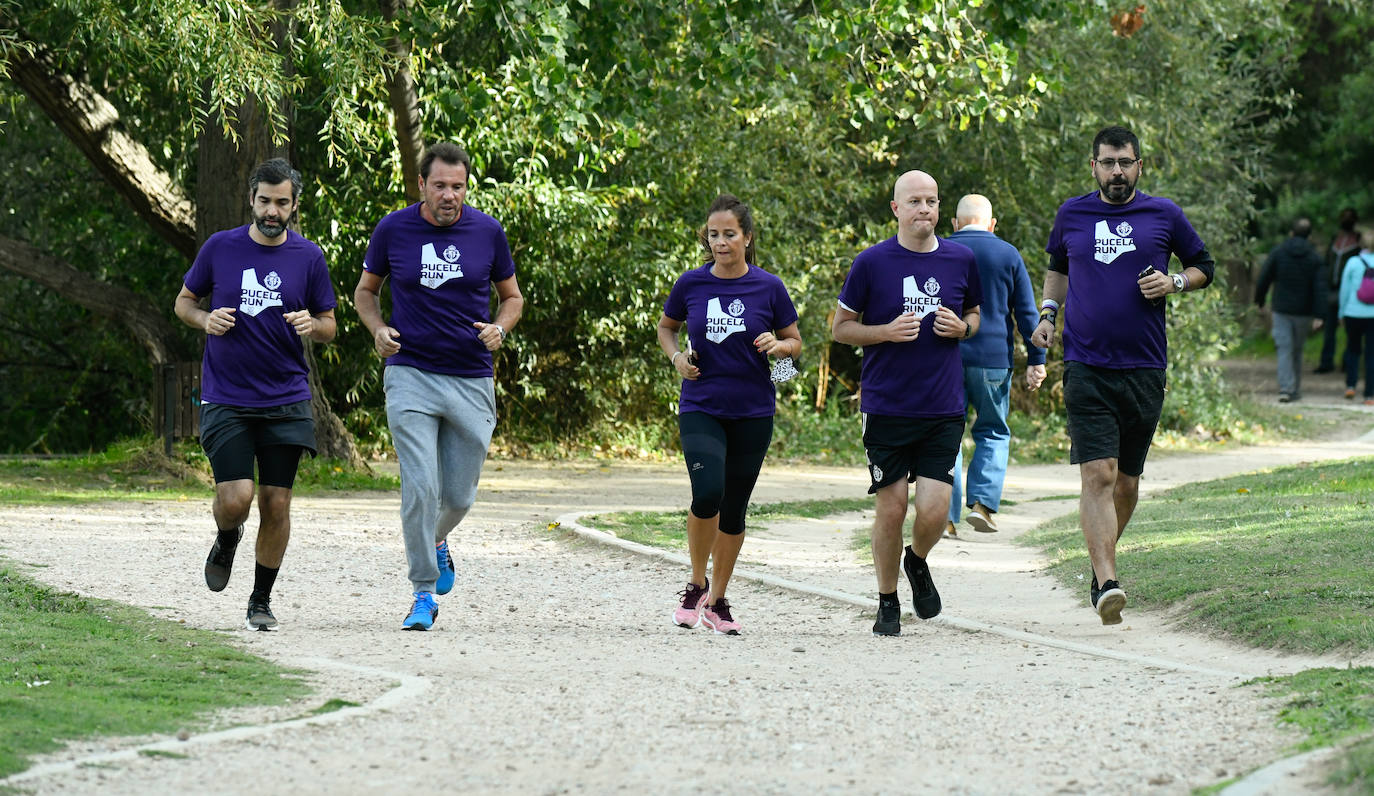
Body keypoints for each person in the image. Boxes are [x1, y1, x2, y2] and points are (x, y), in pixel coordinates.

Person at [1031, 125, 1215, 626]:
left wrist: (1174, 281)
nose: (1117, 171)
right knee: (1099, 474)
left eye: (1125, 162)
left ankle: (1098, 567)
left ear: (1140, 165)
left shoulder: (1164, 214)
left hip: (1145, 365)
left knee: (1127, 482)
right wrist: (1048, 315)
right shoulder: (1072, 213)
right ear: (1093, 166)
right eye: (1107, 162)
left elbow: (1204, 265)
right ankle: (1108, 582)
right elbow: (1058, 268)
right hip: (1087, 364)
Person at [354, 142, 524, 631]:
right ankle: (422, 593)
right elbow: (366, 291)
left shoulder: (488, 232)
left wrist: (500, 327)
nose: (449, 195)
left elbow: (511, 298)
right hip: (410, 372)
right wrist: (378, 329)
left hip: (471, 376)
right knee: (421, 487)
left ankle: (436, 539)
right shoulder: (394, 228)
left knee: (459, 497)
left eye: (458, 186)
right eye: (440, 186)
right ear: (422, 185)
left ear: (466, 186)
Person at [173, 158, 338, 631]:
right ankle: (227, 538)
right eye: (264, 200)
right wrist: (206, 320)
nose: (272, 210)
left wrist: (314, 325)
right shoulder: (219, 248)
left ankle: (260, 601)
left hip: (286, 396)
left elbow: (330, 324)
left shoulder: (309, 257)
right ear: (251, 199)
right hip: (227, 395)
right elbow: (184, 302)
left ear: (293, 206)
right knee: (236, 499)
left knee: (277, 503)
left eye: (281, 202)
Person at [832, 170, 983, 637]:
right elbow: (841, 328)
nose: (925, 209)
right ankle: (886, 600)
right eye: (915, 201)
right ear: (896, 209)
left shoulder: (961, 259)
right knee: (892, 509)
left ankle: (916, 562)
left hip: (942, 406)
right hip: (886, 406)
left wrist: (964, 329)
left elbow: (975, 314)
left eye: (932, 201)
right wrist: (884, 333)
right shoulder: (872, 263)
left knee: (936, 509)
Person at [658, 194, 801, 636]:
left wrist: (779, 347)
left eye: (729, 234)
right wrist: (677, 358)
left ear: (747, 237)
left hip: (754, 410)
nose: (720, 242)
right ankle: (695, 584)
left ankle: (718, 601)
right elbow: (667, 327)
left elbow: (793, 342)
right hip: (702, 404)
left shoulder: (769, 287)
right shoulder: (692, 284)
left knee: (735, 508)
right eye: (714, 235)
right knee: (708, 493)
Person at [944, 194, 1047, 537]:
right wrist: (1037, 361)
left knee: (945, 434)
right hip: (992, 361)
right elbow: (1028, 316)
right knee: (992, 430)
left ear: (955, 223)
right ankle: (982, 506)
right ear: (992, 225)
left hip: (944, 360)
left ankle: (943, 514)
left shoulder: (940, 250)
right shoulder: (1007, 253)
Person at [1254, 217, 1326, 402]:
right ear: (1309, 236)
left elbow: (1265, 277)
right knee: (1297, 349)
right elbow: (1320, 287)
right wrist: (1319, 314)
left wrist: (1260, 301)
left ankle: (1286, 388)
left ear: (1291, 233)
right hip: (1304, 311)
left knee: (1284, 349)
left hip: (1281, 309)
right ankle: (1294, 389)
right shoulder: (1315, 257)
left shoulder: (1279, 252)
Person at [1317, 208, 1360, 374]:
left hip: (1350, 292)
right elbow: (1327, 262)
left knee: (1350, 329)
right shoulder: (1335, 239)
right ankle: (1326, 362)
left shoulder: (1357, 241)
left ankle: (1347, 362)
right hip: (1331, 289)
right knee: (1329, 329)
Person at [1337, 227, 1374, 404]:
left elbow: (1344, 290)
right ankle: (1369, 394)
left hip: (1353, 312)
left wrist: (1341, 312)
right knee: (1371, 354)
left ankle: (1351, 386)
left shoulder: (1353, 262)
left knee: (1352, 349)